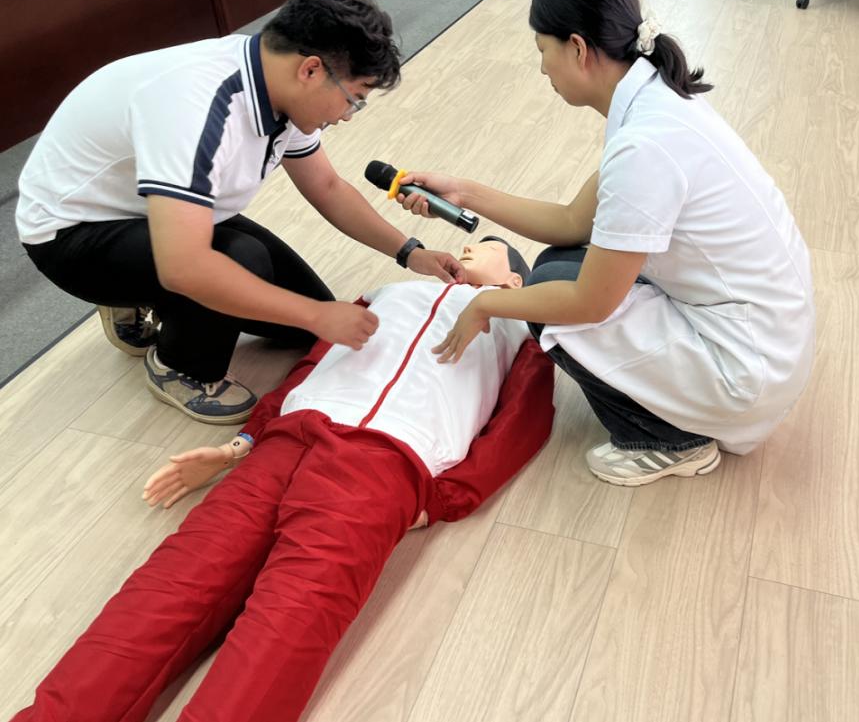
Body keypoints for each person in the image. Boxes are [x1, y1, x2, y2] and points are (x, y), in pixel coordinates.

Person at [11, 238, 554, 722]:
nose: (466, 248)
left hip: (385, 459)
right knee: (173, 584)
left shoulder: (518, 327)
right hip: (288, 438)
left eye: (487, 247)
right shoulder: (386, 294)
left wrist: (440, 501)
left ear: (514, 280)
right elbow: (314, 363)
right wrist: (242, 443)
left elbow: (522, 422)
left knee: (290, 618)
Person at [397, 0, 816, 487]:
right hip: (766, 337)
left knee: (552, 300)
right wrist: (462, 192)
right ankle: (679, 411)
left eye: (543, 51)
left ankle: (670, 441)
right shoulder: (655, 99)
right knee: (556, 268)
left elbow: (589, 304)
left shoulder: (644, 148)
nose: (542, 69)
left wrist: (485, 302)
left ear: (576, 48)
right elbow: (573, 221)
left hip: (745, 371)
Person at [16, 0, 465, 425]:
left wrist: (411, 253)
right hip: (73, 235)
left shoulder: (278, 84)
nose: (348, 115)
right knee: (250, 266)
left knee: (297, 325)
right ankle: (178, 367)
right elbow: (183, 267)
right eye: (355, 99)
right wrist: (316, 314)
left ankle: (148, 294)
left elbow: (327, 187)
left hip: (154, 212)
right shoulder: (197, 105)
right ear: (310, 70)